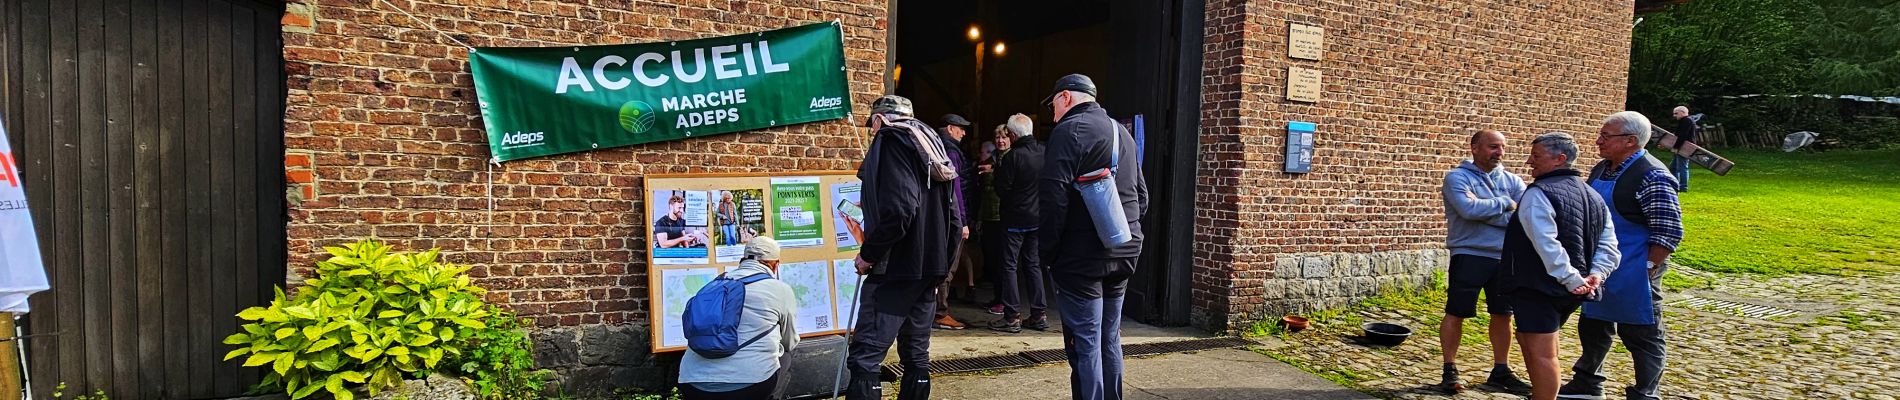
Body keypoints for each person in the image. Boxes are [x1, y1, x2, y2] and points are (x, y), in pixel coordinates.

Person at [1559, 111, 1684, 400]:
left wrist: (1648, 268)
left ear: (1630, 141)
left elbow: (1669, 230)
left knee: (1642, 331)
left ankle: (1646, 392)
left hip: (1636, 265)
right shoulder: (1603, 169)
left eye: (1606, 136)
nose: (1598, 141)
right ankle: (1588, 382)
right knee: (1593, 325)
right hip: (1601, 265)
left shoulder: (1652, 175)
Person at [844, 95, 962, 400]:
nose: (871, 132)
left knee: (866, 356)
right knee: (916, 355)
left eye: (872, 125)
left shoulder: (891, 142)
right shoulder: (933, 144)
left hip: (895, 268)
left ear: (881, 120)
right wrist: (942, 267)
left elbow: (900, 210)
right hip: (929, 268)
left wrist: (869, 254)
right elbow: (954, 216)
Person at [1038, 73, 1147, 400]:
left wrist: (1048, 254)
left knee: (1085, 342)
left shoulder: (1067, 131)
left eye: (1053, 104)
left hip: (1081, 257)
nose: (1051, 112)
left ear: (1066, 98)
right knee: (1108, 338)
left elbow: (1053, 201)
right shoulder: (1121, 133)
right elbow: (1142, 196)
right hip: (1125, 249)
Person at [1498, 132, 1619, 400]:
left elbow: (1546, 243)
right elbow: (1609, 245)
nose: (1530, 161)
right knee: (1530, 340)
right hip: (1567, 287)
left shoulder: (1539, 192)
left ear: (1560, 159)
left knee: (1542, 352)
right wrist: (1597, 274)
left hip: (1538, 285)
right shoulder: (1593, 195)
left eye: (1536, 156)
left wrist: (1574, 279)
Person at [1436, 130, 1531, 394]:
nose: (1499, 152)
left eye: (1502, 147)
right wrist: (1504, 204)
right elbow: (1467, 210)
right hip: (1469, 253)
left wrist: (1486, 211)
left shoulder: (1513, 180)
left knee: (1503, 314)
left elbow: (1525, 217)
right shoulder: (1457, 177)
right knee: (1457, 311)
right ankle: (1450, 369)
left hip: (1505, 256)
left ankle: (1501, 370)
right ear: (1475, 148)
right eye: (1493, 147)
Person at [678, 236, 798, 400]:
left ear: (743, 259)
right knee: (785, 356)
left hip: (692, 383)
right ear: (775, 264)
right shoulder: (780, 289)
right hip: (749, 386)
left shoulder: (715, 284)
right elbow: (789, 341)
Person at [988, 114, 1050, 333]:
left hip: (1014, 219)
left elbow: (1002, 189)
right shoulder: (1044, 152)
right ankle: (1039, 314)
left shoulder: (1013, 157)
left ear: (1013, 135)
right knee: (1033, 265)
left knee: (1009, 266)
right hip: (1038, 217)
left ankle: (1012, 316)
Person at [933, 113, 977, 330]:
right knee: (948, 266)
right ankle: (940, 313)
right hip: (953, 218)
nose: (964, 132)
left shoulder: (937, 147)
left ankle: (934, 311)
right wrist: (963, 221)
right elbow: (956, 188)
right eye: (961, 128)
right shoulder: (951, 151)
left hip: (942, 216)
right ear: (950, 128)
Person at [1667, 106, 1696, 192]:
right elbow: (1677, 135)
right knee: (1673, 167)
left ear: (1683, 112)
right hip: (1683, 146)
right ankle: (1675, 184)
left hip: (1685, 147)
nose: (1674, 115)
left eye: (1676, 113)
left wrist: (1676, 147)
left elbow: (1682, 136)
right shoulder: (1685, 121)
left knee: (1682, 167)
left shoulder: (1686, 121)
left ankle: (1683, 186)